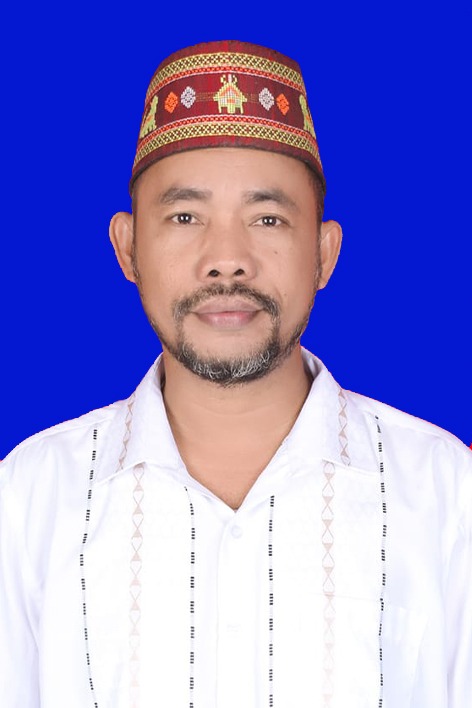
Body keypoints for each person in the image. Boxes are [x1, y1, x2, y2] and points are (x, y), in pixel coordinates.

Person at [0, 40, 471, 708]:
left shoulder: (447, 496)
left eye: (267, 218)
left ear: (324, 253)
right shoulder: (29, 499)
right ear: (128, 248)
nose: (227, 260)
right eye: (185, 217)